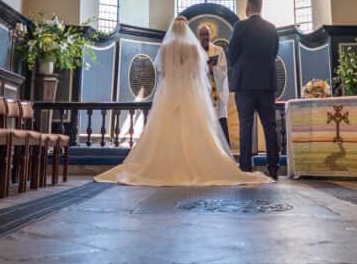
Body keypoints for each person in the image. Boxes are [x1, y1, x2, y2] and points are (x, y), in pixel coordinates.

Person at [94, 17, 271, 186]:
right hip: (189, 94)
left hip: (169, 94)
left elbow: (162, 73)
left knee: (165, 129)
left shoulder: (165, 48)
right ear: (187, 30)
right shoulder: (193, 49)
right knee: (194, 129)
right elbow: (198, 74)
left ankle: (163, 166)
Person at [226, 0, 281, 180]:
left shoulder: (240, 26)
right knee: (270, 127)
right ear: (261, 7)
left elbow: (231, 53)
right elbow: (274, 54)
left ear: (248, 7)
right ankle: (273, 170)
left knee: (245, 126)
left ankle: (245, 169)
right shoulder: (272, 28)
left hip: (245, 85)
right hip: (266, 85)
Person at [197, 24, 230, 144]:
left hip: (216, 92)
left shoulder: (218, 50)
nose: (205, 37)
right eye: (202, 35)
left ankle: (224, 152)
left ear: (210, 35)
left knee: (219, 119)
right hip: (202, 93)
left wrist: (212, 69)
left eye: (207, 34)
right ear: (198, 36)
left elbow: (223, 70)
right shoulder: (196, 52)